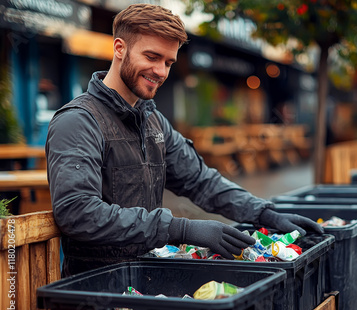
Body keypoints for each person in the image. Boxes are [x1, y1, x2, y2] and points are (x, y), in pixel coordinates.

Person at [45, 4, 323, 277]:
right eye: (152, 57)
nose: (161, 71)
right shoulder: (78, 121)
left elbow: (201, 181)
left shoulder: (152, 120)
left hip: (146, 279)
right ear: (119, 48)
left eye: (168, 62)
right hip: (95, 292)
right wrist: (181, 229)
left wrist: (264, 213)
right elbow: (77, 212)